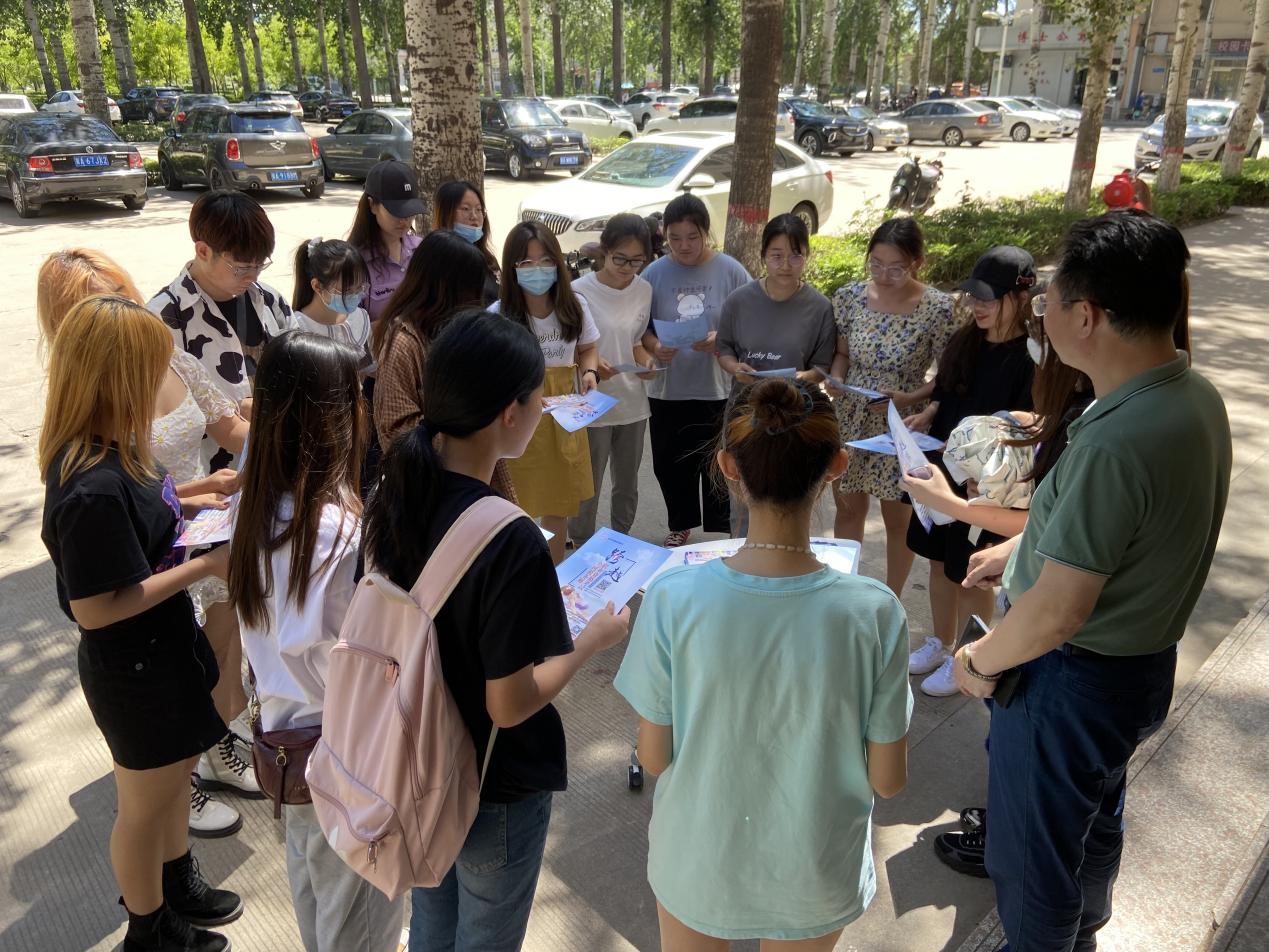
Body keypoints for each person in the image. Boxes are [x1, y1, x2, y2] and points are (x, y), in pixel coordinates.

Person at [950, 211, 1230, 951]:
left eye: (1047, 301)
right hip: (1136, 670)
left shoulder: (1116, 437)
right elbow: (1130, 532)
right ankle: (1085, 931)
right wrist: (1022, 551)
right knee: (1093, 824)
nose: (1040, 315)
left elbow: (1057, 614)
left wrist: (977, 661)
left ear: (1086, 315)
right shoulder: (1190, 396)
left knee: (1031, 862)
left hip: (1069, 682)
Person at [362, 310, 629, 952]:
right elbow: (508, 705)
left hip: (413, 762)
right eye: (540, 398)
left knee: (432, 926)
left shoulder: (395, 491)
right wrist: (591, 640)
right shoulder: (509, 536)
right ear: (511, 412)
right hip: (491, 780)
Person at [614, 377, 911, 950]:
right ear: (838, 464)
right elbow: (888, 779)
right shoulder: (874, 612)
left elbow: (653, 757)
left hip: (696, 862)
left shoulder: (673, 597)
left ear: (728, 465)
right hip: (816, 871)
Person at [39, 295, 242, 952]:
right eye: (150, 370)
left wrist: (199, 494)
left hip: (166, 646)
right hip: (134, 668)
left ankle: (176, 881)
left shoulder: (117, 448)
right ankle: (148, 929)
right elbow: (97, 609)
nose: (162, 384)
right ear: (114, 378)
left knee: (176, 779)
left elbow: (149, 507)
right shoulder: (89, 486)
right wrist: (205, 567)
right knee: (144, 806)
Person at [228, 332, 404, 952]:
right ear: (334, 416)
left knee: (316, 893)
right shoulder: (342, 532)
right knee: (357, 918)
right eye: (356, 395)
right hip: (348, 759)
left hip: (285, 744)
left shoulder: (249, 510)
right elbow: (361, 660)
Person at [903, 246, 1036, 697]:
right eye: (972, 296)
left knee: (974, 571)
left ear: (1020, 297)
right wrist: (929, 412)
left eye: (987, 298)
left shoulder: (1031, 357)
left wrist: (991, 473)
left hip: (987, 487)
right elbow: (948, 389)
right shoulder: (967, 339)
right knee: (938, 560)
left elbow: (1029, 425)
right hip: (942, 471)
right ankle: (940, 641)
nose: (976, 306)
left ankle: (968, 654)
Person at [826, 218, 956, 596]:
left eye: (896, 268)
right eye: (876, 264)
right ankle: (845, 593)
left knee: (897, 519)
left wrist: (909, 399)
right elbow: (842, 354)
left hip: (902, 422)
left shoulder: (937, 307)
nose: (883, 276)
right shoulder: (850, 296)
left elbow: (949, 375)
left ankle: (891, 598)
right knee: (848, 508)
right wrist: (837, 379)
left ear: (918, 263)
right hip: (852, 415)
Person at [149, 189, 292, 472]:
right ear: (203, 251)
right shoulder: (164, 318)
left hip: (274, 463)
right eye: (241, 268)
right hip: (208, 475)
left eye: (260, 265)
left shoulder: (269, 299)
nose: (253, 276)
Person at [373, 229, 518, 503]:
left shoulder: (454, 331)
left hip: (475, 475)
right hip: (433, 489)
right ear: (446, 289)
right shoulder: (404, 342)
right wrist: (470, 433)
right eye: (472, 292)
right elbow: (396, 431)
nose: (478, 303)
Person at [640, 193, 751, 547]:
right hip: (668, 388)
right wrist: (655, 346)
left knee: (719, 460)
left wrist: (721, 338)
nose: (684, 245)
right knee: (671, 463)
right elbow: (640, 327)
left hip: (717, 388)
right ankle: (680, 523)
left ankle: (723, 530)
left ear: (706, 232)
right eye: (674, 238)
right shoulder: (654, 273)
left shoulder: (731, 271)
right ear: (664, 235)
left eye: (692, 236)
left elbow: (749, 322)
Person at [716, 213, 836, 537]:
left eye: (795, 255)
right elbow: (723, 349)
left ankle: (787, 557)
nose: (785, 265)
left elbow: (822, 366)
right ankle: (742, 555)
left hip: (795, 414)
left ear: (806, 256)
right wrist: (734, 367)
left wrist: (804, 377)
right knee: (743, 495)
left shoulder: (819, 307)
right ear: (763, 256)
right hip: (746, 411)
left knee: (791, 496)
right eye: (776, 255)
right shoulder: (739, 301)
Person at [493, 221, 601, 563]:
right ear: (512, 268)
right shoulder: (499, 315)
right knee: (517, 505)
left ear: (558, 262)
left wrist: (590, 373)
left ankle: (552, 573)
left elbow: (588, 348)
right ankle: (519, 574)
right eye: (527, 263)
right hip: (519, 419)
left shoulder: (575, 305)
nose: (537, 270)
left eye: (545, 261)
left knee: (558, 505)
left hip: (563, 419)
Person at [569, 213, 657, 543]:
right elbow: (569, 347)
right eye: (620, 258)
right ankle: (581, 543)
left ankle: (622, 542)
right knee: (587, 483)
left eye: (636, 261)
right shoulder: (579, 291)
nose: (627, 267)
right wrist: (591, 364)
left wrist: (647, 362)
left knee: (627, 483)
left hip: (632, 403)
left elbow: (634, 341)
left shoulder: (644, 289)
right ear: (604, 250)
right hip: (591, 402)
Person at [351, 159, 425, 324]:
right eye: (396, 211)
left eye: (410, 211)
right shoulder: (355, 263)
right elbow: (349, 330)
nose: (404, 220)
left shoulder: (422, 250)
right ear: (372, 205)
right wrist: (393, 325)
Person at [290, 238, 374, 375]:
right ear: (317, 286)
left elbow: (365, 371)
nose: (355, 296)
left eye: (360, 288)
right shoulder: (298, 329)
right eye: (347, 291)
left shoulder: (359, 319)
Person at [433, 179, 500, 305]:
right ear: (445, 214)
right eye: (465, 209)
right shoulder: (437, 263)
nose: (474, 216)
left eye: (479, 209)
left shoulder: (488, 259)